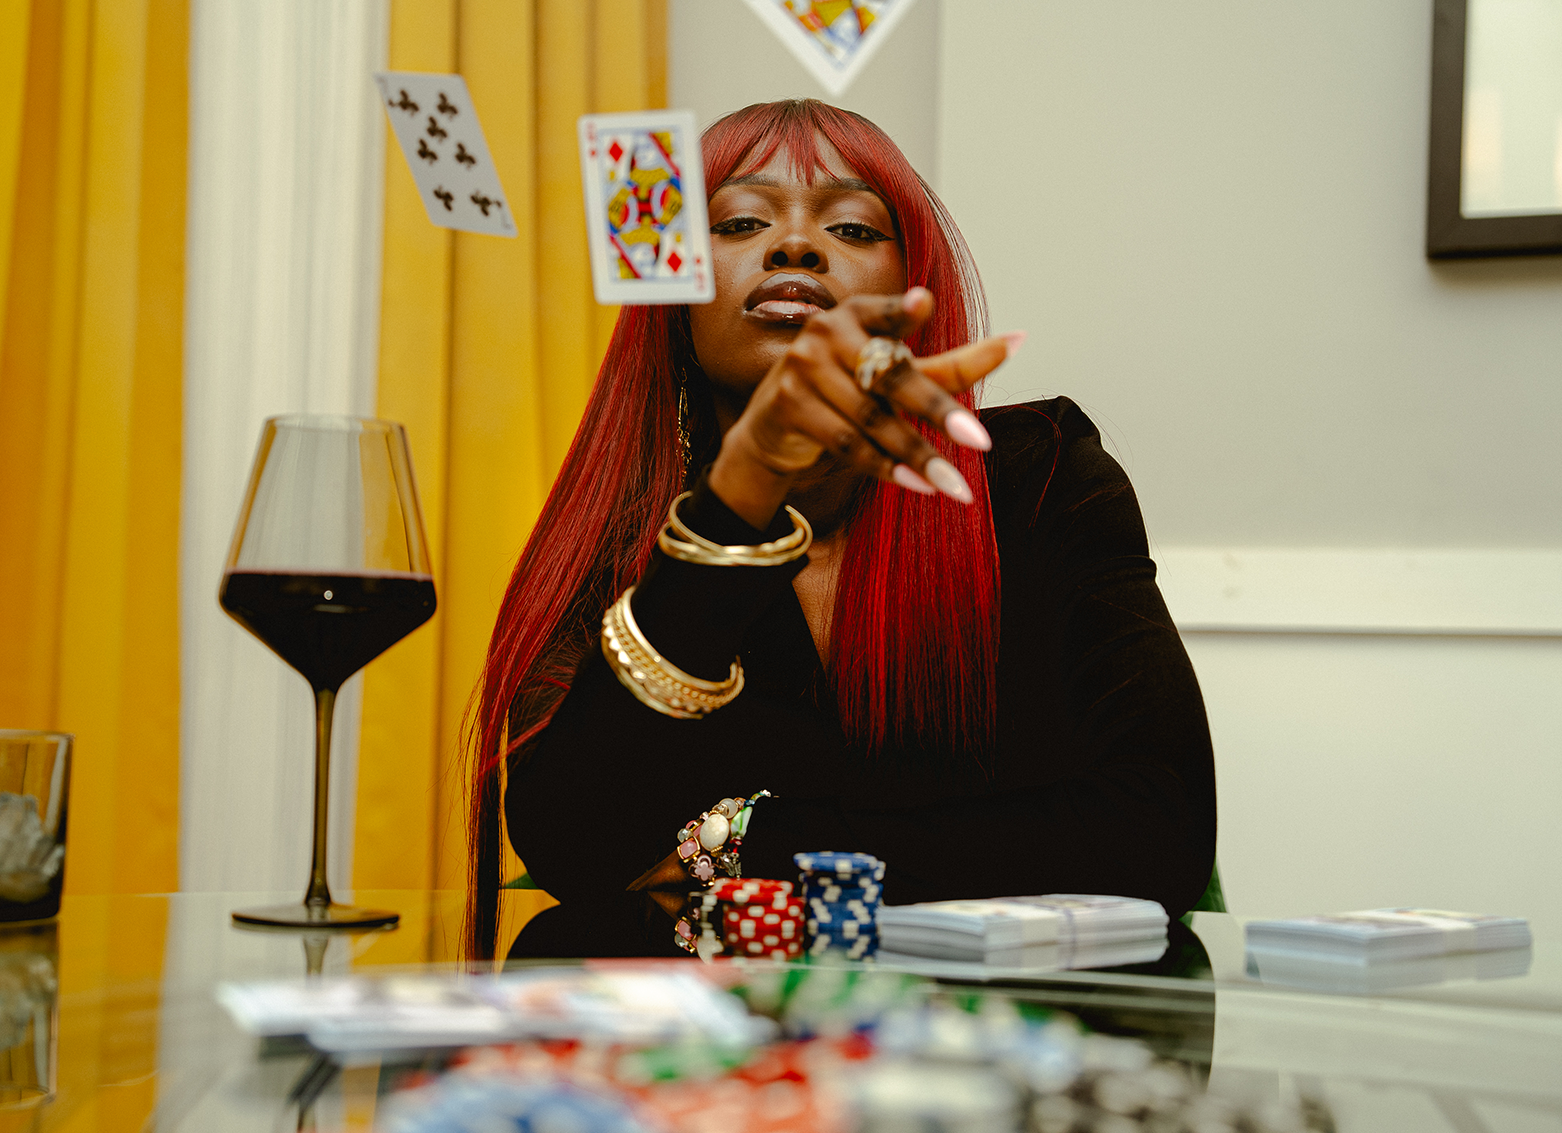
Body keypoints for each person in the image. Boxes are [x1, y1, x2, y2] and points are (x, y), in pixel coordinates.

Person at [470, 100, 1215, 960]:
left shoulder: (1045, 476)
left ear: (910, 295)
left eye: (855, 227)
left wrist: (745, 840)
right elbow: (575, 845)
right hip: (725, 1066)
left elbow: (1158, 834)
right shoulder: (623, 546)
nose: (795, 247)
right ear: (673, 297)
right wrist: (741, 491)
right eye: (741, 220)